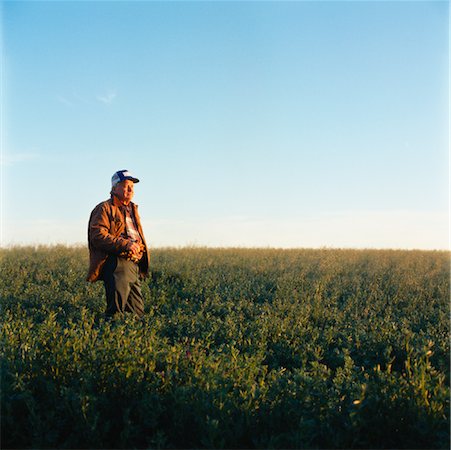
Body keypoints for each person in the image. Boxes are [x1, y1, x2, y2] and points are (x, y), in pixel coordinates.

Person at [87, 169, 150, 318]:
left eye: (132, 186)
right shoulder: (104, 208)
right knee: (115, 312)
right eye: (125, 185)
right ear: (114, 188)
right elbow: (97, 235)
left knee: (137, 313)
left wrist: (139, 248)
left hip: (133, 263)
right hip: (117, 262)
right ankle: (108, 337)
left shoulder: (132, 209)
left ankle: (130, 340)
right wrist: (125, 244)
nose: (130, 189)